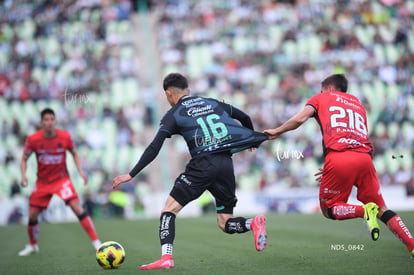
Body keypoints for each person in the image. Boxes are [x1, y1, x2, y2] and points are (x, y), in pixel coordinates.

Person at [113, 73, 269, 270]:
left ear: (169, 94)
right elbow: (244, 117)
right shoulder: (212, 102)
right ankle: (252, 223)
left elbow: (154, 147)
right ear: (188, 90)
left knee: (169, 210)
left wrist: (131, 174)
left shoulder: (174, 114)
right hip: (225, 165)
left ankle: (166, 257)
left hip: (203, 164)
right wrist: (249, 139)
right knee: (224, 222)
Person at [264, 74, 414, 257]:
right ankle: (412, 245)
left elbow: (300, 119)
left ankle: (363, 211)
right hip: (365, 158)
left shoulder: (321, 98)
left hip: (339, 157)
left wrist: (277, 131)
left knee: (329, 208)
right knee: (382, 208)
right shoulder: (358, 104)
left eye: (321, 90)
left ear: (329, 88)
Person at [18, 108, 101, 256]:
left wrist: (81, 172)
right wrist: (23, 176)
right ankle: (32, 245)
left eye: (51, 119)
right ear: (41, 122)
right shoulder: (33, 140)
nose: (49, 123)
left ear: (55, 121)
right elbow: (24, 158)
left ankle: (96, 243)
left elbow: (74, 153)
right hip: (42, 183)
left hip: (61, 180)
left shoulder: (65, 137)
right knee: (32, 216)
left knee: (77, 208)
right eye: (46, 120)